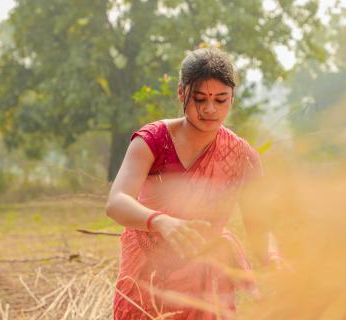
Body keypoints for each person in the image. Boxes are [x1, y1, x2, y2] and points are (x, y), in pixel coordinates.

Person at [106, 47, 281, 320]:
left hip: (204, 281)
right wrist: (160, 221)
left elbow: (259, 227)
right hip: (145, 274)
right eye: (200, 99)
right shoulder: (153, 140)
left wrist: (274, 260)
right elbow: (116, 203)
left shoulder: (242, 156)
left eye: (221, 100)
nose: (210, 109)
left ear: (232, 98)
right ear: (181, 93)